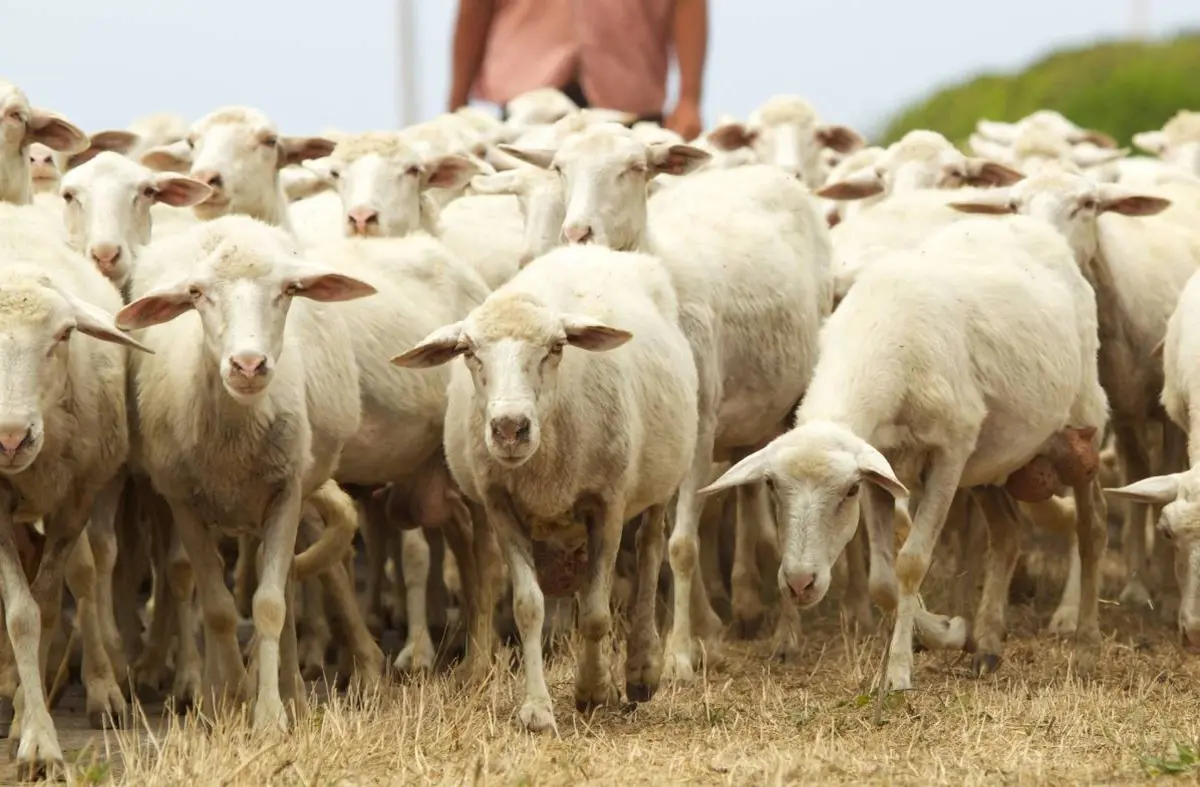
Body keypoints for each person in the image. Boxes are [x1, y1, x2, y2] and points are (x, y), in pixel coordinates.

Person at [447, 0, 708, 140]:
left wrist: (688, 99)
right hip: (526, 111)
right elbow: (475, 7)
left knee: (629, 229)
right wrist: (457, 105)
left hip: (629, 102)